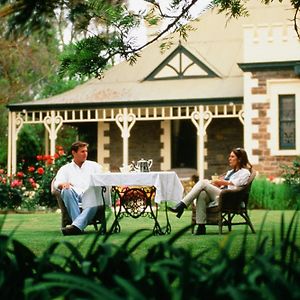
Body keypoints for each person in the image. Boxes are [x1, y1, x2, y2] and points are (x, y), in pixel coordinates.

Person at [169, 147, 252, 235]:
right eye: (230, 156)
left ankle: (182, 205)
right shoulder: (230, 172)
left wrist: (221, 182)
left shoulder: (245, 172)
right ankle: (201, 227)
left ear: (239, 159)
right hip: (220, 193)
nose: (229, 159)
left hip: (229, 197)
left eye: (232, 157)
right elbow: (224, 184)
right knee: (202, 194)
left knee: (203, 183)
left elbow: (237, 184)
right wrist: (216, 184)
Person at [53, 141, 105, 236]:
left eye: (86, 151)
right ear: (74, 153)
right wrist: (63, 184)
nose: (85, 154)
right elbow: (56, 183)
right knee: (66, 190)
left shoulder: (95, 166)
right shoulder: (65, 169)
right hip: (75, 196)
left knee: (94, 197)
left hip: (90, 196)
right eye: (82, 151)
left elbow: (104, 179)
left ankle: (76, 227)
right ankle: (78, 227)